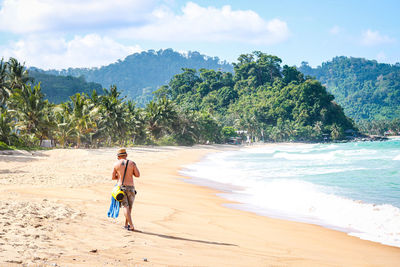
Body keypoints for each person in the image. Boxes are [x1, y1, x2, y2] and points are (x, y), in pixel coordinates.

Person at [112, 148, 140, 231]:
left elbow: (113, 177)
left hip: (121, 187)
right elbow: (137, 175)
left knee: (125, 206)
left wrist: (120, 176)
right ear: (126, 155)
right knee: (130, 207)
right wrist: (129, 174)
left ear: (118, 156)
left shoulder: (116, 164)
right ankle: (127, 224)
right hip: (131, 187)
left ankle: (130, 225)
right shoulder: (132, 163)